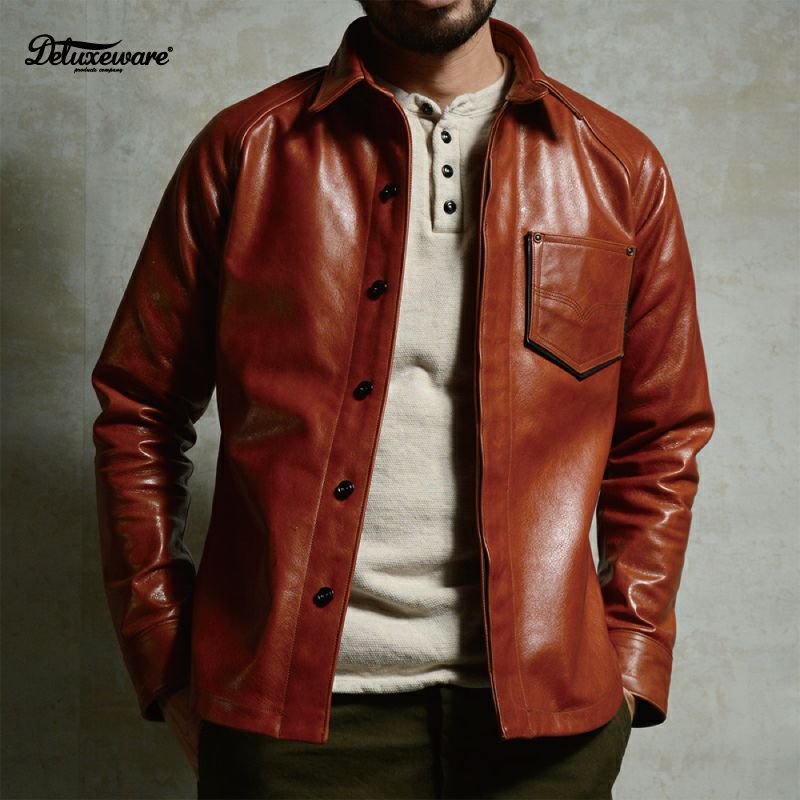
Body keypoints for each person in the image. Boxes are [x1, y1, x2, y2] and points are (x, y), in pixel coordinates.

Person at [90, 1, 716, 797]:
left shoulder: (617, 166)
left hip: (548, 737)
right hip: (291, 734)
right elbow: (138, 410)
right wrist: (166, 659)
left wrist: (630, 661)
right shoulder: (246, 149)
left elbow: (661, 438)